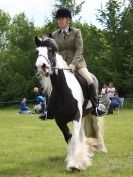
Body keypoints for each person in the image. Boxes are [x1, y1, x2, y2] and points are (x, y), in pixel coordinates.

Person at [51, 7, 105, 117]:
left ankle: (95, 107)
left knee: (90, 80)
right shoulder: (54, 34)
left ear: (68, 20)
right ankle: (48, 110)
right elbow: (54, 51)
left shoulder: (76, 32)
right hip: (61, 65)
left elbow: (79, 49)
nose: (59, 21)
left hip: (78, 63)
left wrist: (73, 64)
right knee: (51, 84)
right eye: (58, 19)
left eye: (62, 19)